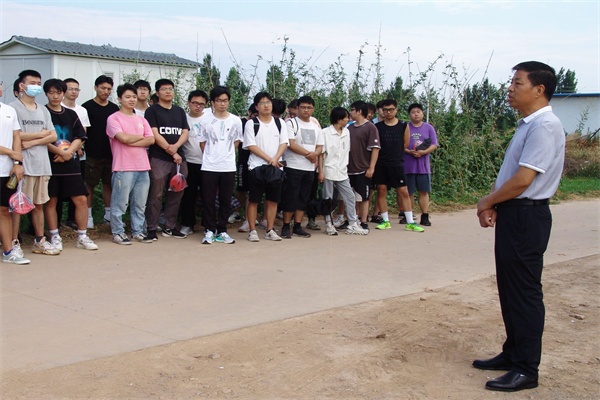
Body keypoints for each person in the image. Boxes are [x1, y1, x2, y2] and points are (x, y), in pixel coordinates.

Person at [474, 61, 565, 392]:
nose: (510, 88)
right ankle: (513, 353)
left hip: (528, 217)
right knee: (510, 289)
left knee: (524, 292)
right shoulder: (528, 124)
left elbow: (524, 180)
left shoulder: (544, 126)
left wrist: (487, 201)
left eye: (517, 83)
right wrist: (499, 203)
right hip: (516, 214)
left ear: (539, 89)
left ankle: (527, 368)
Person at [43, 79, 98, 251]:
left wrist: (68, 154)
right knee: (51, 200)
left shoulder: (71, 114)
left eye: (58, 92)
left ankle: (82, 235)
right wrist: (60, 153)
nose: (55, 96)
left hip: (70, 164)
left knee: (81, 199)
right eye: (51, 92)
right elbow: (42, 139)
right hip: (49, 163)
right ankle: (54, 235)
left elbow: (80, 136)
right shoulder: (42, 113)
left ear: (63, 93)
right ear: (46, 93)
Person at [10, 69, 60, 255]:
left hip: (42, 164)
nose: (36, 86)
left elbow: (53, 135)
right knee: (18, 205)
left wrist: (34, 140)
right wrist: (41, 134)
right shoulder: (12, 108)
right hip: (24, 165)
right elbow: (15, 134)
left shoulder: (43, 109)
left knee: (38, 205)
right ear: (21, 86)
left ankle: (39, 240)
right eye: (32, 83)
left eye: (39, 83)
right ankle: (14, 242)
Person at [106, 83, 155, 245]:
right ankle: (118, 232)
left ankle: (138, 231)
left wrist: (130, 139)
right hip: (123, 167)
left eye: (134, 96)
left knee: (140, 203)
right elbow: (123, 138)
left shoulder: (142, 119)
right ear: (119, 99)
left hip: (142, 166)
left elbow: (151, 139)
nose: (132, 99)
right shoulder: (113, 118)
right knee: (120, 202)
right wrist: (139, 139)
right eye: (127, 97)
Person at [143, 78, 189, 241]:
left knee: (177, 193)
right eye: (164, 89)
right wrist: (171, 151)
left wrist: (176, 148)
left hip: (179, 159)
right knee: (156, 194)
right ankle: (151, 228)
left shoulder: (179, 111)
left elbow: (185, 132)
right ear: (157, 93)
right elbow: (154, 134)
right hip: (159, 158)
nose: (168, 91)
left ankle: (170, 227)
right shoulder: (152, 111)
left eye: (170, 88)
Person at [198, 86, 243, 244]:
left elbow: (236, 141)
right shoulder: (205, 120)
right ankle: (210, 230)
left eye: (225, 100)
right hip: (209, 166)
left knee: (225, 199)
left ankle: (222, 230)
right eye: (219, 101)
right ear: (212, 103)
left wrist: (226, 155)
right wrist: (212, 156)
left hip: (228, 166)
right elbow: (202, 143)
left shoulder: (236, 120)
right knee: (208, 199)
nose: (222, 104)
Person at [242, 92, 288, 242]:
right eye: (262, 103)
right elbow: (251, 145)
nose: (266, 105)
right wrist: (270, 159)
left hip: (275, 168)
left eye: (268, 102)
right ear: (256, 106)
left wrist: (275, 159)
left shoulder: (280, 123)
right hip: (256, 166)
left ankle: (270, 229)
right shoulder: (251, 123)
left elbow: (284, 143)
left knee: (273, 200)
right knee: (254, 199)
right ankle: (252, 230)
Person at [373, 99, 424, 232]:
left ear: (396, 110)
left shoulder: (403, 125)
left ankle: (410, 222)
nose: (388, 112)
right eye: (385, 110)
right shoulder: (378, 127)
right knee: (381, 190)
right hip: (381, 163)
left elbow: (405, 144)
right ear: (382, 111)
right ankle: (385, 220)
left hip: (396, 163)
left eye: (391, 109)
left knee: (404, 192)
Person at [318, 107, 368, 236]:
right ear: (339, 119)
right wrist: (321, 172)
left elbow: (346, 151)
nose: (348, 119)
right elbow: (321, 154)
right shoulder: (325, 133)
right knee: (327, 199)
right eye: (346, 117)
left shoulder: (346, 132)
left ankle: (352, 224)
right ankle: (328, 224)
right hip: (328, 170)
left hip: (342, 171)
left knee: (350, 196)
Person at [280, 95, 323, 239]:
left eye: (309, 107)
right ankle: (286, 225)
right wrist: (309, 154)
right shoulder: (291, 124)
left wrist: (315, 154)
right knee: (290, 197)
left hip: (309, 169)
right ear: (297, 108)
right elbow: (290, 144)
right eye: (303, 107)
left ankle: (298, 225)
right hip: (293, 166)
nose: (306, 110)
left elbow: (320, 147)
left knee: (303, 198)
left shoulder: (316, 127)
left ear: (313, 109)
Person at [82, 75, 119, 228]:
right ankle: (88, 216)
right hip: (92, 153)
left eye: (109, 89)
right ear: (96, 88)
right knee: (89, 185)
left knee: (108, 184)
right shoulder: (86, 107)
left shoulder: (114, 108)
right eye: (103, 88)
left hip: (111, 153)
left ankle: (108, 215)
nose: (106, 91)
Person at [0, 82, 30, 264]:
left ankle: (9, 251)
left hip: (6, 170)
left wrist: (17, 162)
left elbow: (16, 136)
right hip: (8, 157)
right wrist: (11, 152)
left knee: (4, 210)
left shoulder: (8, 110)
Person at [61, 78, 90, 230]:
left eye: (76, 89)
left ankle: (72, 219)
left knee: (78, 189)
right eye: (70, 89)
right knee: (57, 192)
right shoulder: (57, 108)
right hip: (58, 154)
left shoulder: (82, 110)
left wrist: (77, 147)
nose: (74, 92)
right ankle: (57, 222)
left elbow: (83, 132)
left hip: (78, 154)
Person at [347, 101, 380, 231]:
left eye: (352, 110)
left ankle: (364, 221)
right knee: (351, 197)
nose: (350, 112)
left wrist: (371, 167)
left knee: (364, 197)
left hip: (363, 169)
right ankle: (352, 220)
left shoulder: (371, 127)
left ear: (359, 111)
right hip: (349, 169)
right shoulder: (349, 128)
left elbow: (375, 149)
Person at [180, 90, 208, 236]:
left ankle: (208, 226)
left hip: (207, 163)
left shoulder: (210, 118)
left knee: (207, 195)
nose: (198, 106)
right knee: (188, 195)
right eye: (195, 103)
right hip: (188, 161)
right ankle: (187, 224)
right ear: (189, 103)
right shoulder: (182, 118)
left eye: (202, 104)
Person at [405, 103, 438, 226]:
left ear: (422, 113)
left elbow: (434, 144)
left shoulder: (429, 128)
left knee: (423, 191)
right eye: (413, 112)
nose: (416, 114)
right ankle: (409, 216)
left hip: (423, 167)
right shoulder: (406, 127)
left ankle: (425, 216)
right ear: (409, 115)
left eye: (418, 111)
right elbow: (401, 145)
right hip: (408, 165)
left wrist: (424, 152)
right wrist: (408, 151)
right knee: (409, 193)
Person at [233, 104, 258, 231]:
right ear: (249, 112)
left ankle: (250, 217)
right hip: (244, 160)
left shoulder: (260, 124)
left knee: (253, 190)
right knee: (241, 188)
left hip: (257, 160)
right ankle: (236, 213)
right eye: (254, 115)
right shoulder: (241, 123)